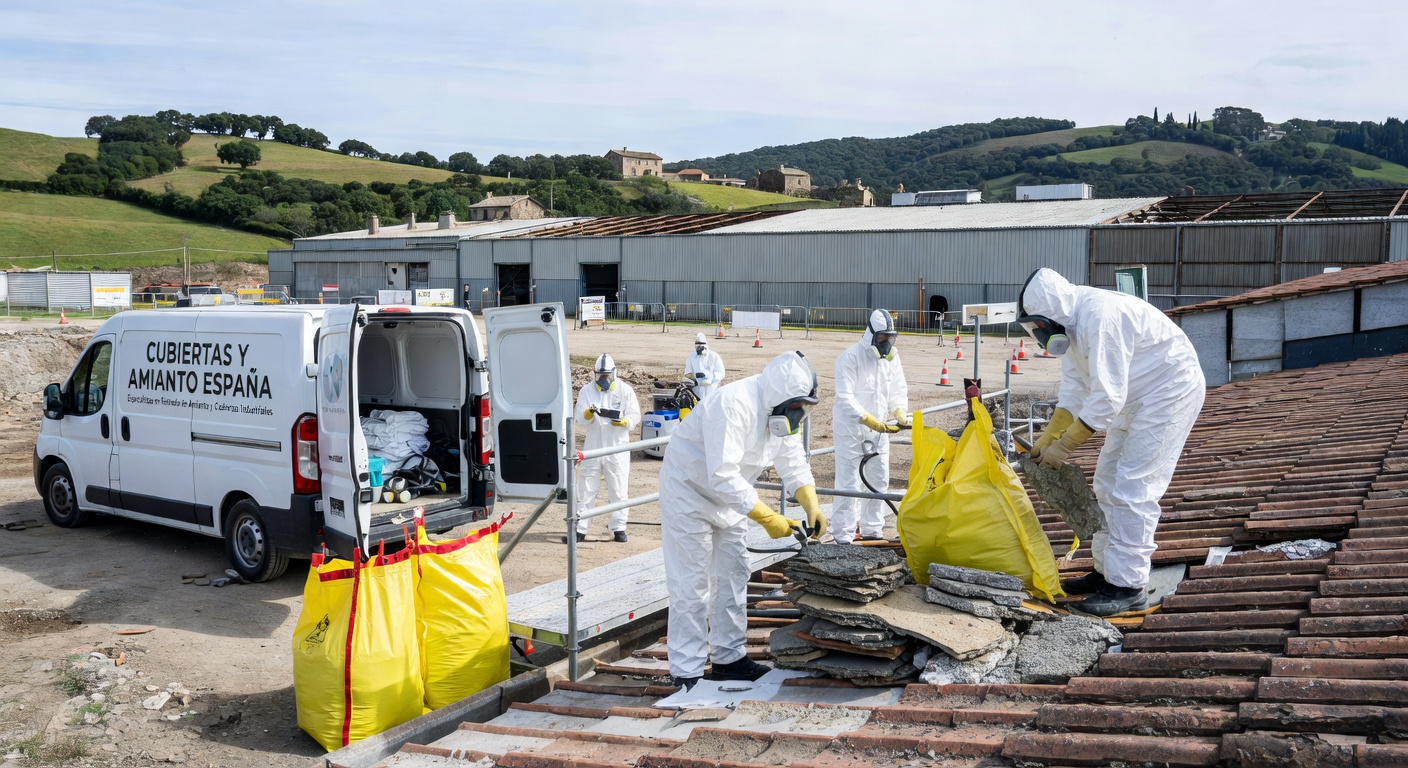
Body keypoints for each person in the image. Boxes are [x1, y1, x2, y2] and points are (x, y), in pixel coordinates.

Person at [1019, 267, 1205, 616]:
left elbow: (1106, 399)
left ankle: (1129, 585)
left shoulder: (1099, 317)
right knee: (1106, 481)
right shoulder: (1073, 328)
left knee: (1135, 486)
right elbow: (1075, 391)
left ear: (1052, 312)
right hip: (1137, 398)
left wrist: (1063, 447)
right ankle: (1107, 573)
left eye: (1039, 325)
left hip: (1169, 393)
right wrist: (1048, 436)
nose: (1039, 334)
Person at [658, 351, 827, 690]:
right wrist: (767, 517)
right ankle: (687, 672)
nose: (800, 417)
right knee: (692, 585)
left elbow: (792, 460)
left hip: (733, 499)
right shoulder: (733, 405)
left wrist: (811, 503)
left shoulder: (782, 412)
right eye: (799, 408)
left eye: (805, 409)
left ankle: (728, 659)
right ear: (782, 399)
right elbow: (721, 474)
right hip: (689, 491)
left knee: (733, 575)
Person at [830, 309, 910, 544]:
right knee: (848, 482)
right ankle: (843, 536)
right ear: (871, 335)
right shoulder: (850, 358)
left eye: (890, 338)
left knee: (878, 480)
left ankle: (872, 532)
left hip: (879, 431)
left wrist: (899, 410)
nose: (886, 343)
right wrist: (868, 420)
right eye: (882, 338)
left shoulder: (892, 359)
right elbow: (844, 398)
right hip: (851, 430)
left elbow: (898, 388)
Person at [570, 353, 642, 543]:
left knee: (618, 487)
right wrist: (588, 413)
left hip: (617, 446)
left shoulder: (625, 390)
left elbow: (635, 414)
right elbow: (579, 419)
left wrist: (626, 422)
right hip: (593, 445)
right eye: (600, 375)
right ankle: (581, 527)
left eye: (606, 375)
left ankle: (619, 527)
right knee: (586, 486)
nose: (603, 379)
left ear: (614, 373)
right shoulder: (587, 391)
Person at [684, 332, 726, 399]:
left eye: (700, 347)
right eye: (696, 347)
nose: (698, 349)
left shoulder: (714, 356)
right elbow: (688, 372)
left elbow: (720, 372)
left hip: (711, 389)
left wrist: (710, 379)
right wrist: (694, 379)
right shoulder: (692, 356)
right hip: (697, 390)